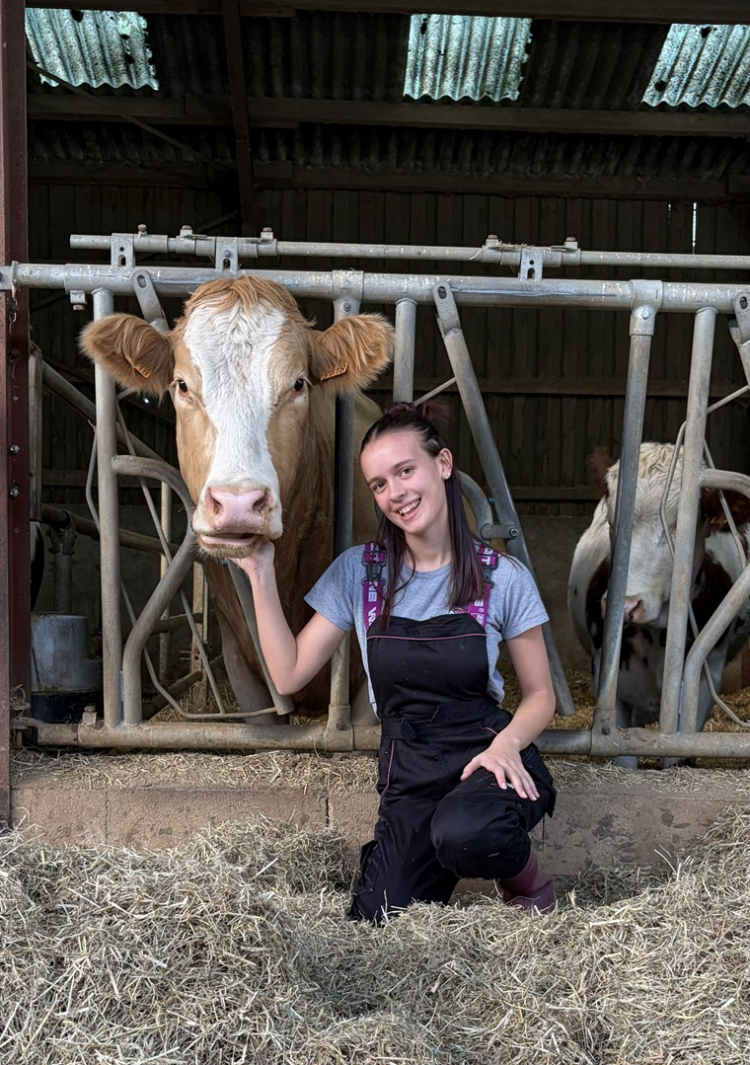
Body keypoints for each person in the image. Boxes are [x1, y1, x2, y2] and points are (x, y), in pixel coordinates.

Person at [235, 402, 557, 924]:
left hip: (486, 753)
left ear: (443, 464)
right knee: (377, 919)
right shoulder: (359, 573)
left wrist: (507, 746)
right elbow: (289, 674)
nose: (396, 494)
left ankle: (529, 886)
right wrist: (260, 573)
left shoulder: (502, 576)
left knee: (466, 830)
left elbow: (542, 695)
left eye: (405, 471)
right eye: (379, 484)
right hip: (408, 763)